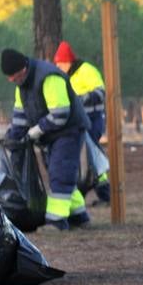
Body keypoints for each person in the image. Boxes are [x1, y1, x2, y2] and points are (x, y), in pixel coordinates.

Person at [0, 47, 91, 229]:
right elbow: (20, 116)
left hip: (68, 130)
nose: (13, 81)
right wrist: (13, 139)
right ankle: (79, 216)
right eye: (10, 78)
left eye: (15, 76)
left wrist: (36, 131)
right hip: (50, 134)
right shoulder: (21, 85)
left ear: (23, 68)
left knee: (60, 171)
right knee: (59, 173)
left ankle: (56, 221)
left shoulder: (49, 77)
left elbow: (60, 115)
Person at [53, 40, 111, 204]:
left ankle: (105, 194)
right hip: (78, 123)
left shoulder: (87, 71)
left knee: (93, 155)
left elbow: (100, 93)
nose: (58, 67)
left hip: (93, 120)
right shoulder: (65, 76)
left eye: (61, 63)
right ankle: (85, 192)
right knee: (85, 157)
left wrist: (79, 101)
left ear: (69, 61)